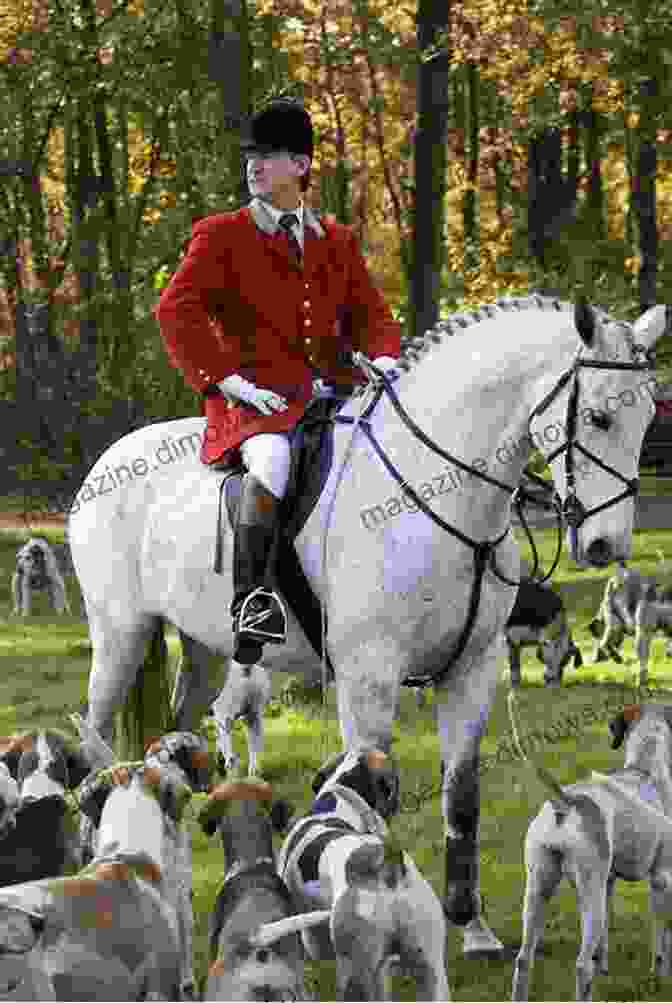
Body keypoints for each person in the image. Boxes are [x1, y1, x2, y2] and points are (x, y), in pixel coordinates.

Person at [155, 97, 401, 665]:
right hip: (255, 405)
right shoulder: (222, 235)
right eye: (252, 157)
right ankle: (252, 601)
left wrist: (385, 359)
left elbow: (372, 317)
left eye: (269, 157)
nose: (254, 167)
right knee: (271, 464)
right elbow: (175, 310)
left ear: (301, 165)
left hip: (332, 396)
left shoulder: (334, 240)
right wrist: (224, 379)